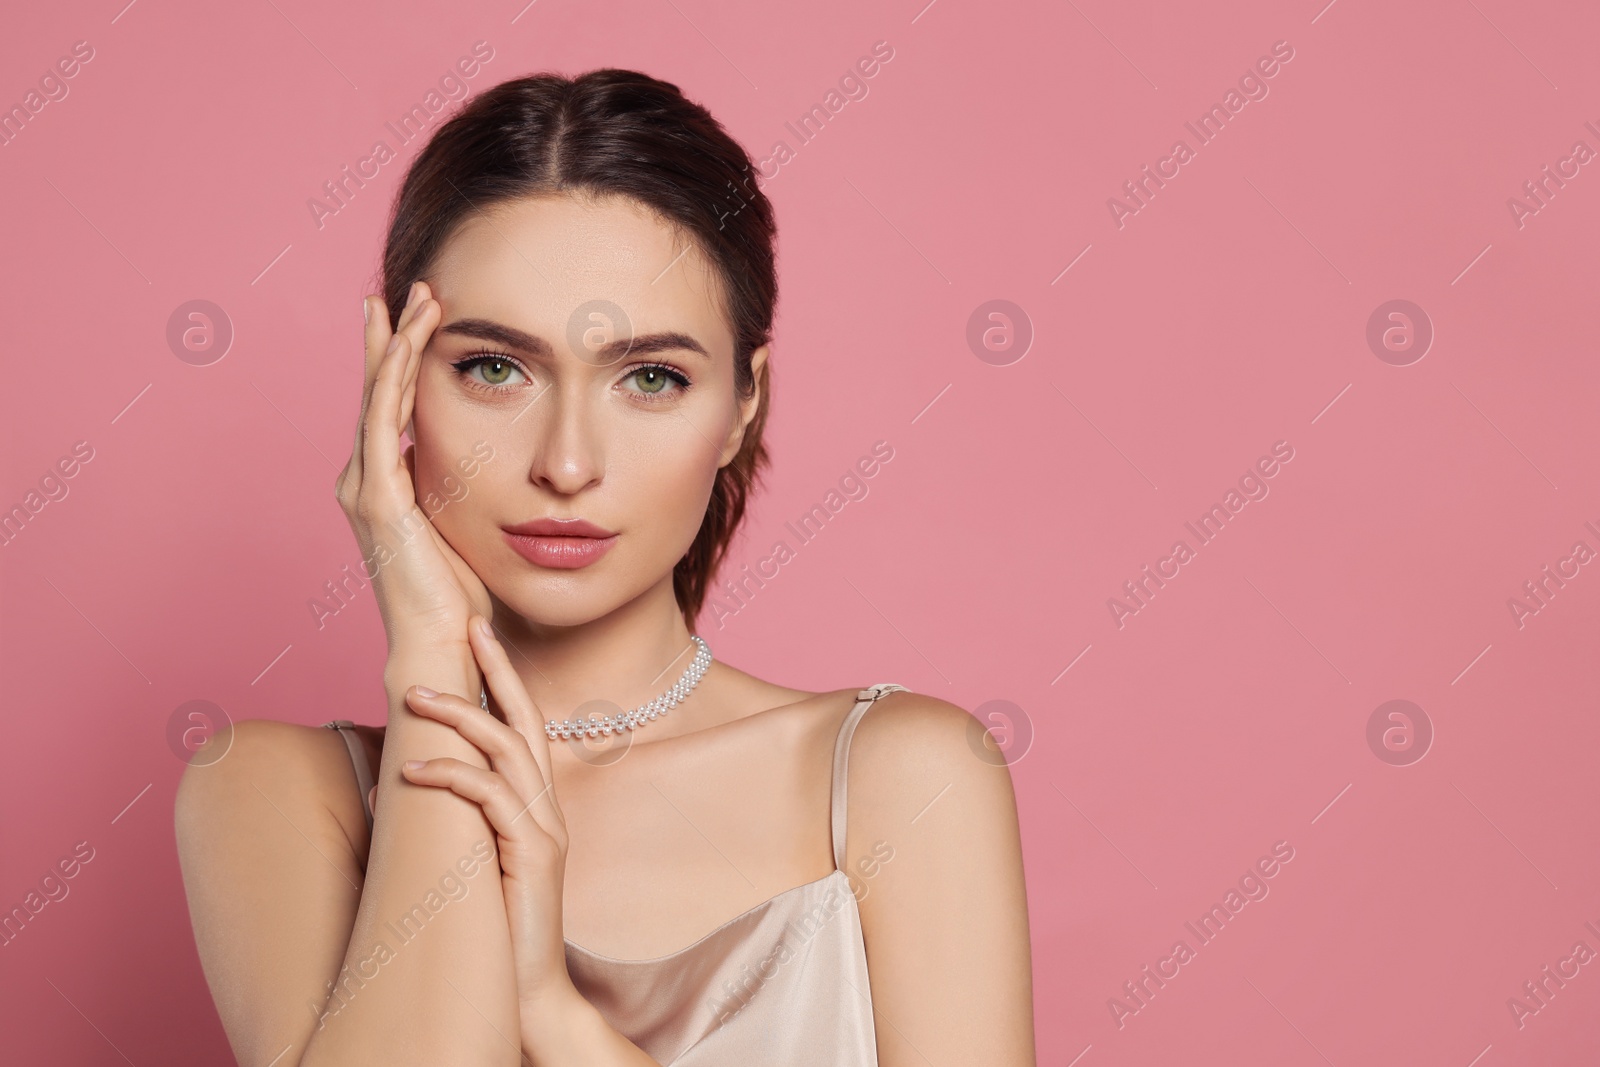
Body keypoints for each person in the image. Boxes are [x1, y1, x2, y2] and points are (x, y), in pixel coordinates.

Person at [175, 68, 1034, 1067]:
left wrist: (551, 1008)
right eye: (493, 367)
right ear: (395, 388)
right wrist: (432, 665)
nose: (566, 462)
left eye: (650, 377)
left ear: (742, 404)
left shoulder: (903, 778)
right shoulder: (273, 792)